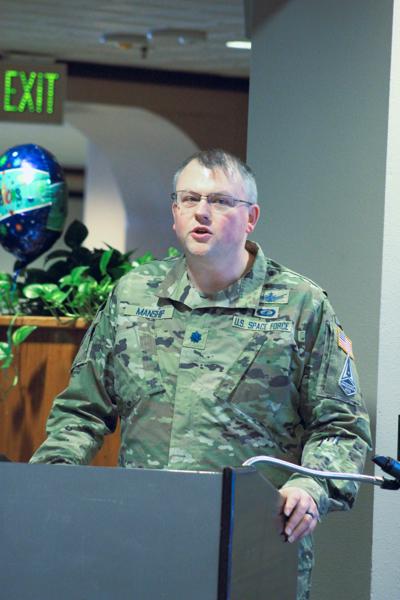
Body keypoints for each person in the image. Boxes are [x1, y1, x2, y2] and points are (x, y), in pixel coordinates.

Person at [30, 149, 372, 599]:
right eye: (189, 199)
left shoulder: (300, 306)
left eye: (221, 201)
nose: (202, 211)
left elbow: (341, 428)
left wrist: (311, 486)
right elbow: (82, 411)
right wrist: (48, 483)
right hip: (140, 544)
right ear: (175, 212)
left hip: (254, 549)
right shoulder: (134, 296)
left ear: (251, 218)